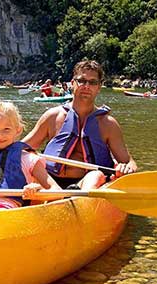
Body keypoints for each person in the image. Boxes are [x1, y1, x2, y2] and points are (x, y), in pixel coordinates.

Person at [22, 60, 137, 190]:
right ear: (72, 83)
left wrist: (126, 168)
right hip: (51, 183)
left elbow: (129, 162)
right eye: (81, 81)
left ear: (99, 87)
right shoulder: (52, 116)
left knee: (94, 176)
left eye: (92, 82)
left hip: (89, 184)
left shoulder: (108, 124)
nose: (86, 86)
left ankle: (80, 202)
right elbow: (21, 148)